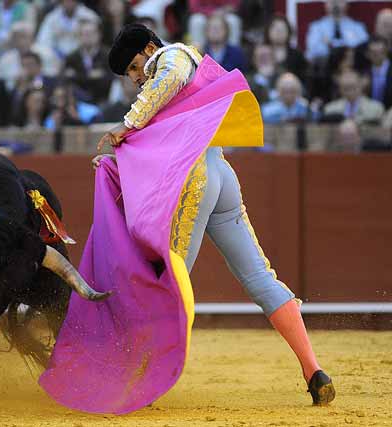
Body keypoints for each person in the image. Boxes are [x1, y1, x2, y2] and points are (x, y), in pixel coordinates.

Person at [40, 24, 335, 413]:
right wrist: (118, 163)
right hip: (220, 173)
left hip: (194, 181)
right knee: (260, 276)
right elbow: (161, 146)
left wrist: (126, 126)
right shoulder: (180, 71)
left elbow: (170, 77)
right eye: (129, 74)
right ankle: (314, 371)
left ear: (149, 48)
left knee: (168, 283)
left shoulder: (173, 57)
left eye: (133, 66)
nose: (135, 78)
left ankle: (140, 379)